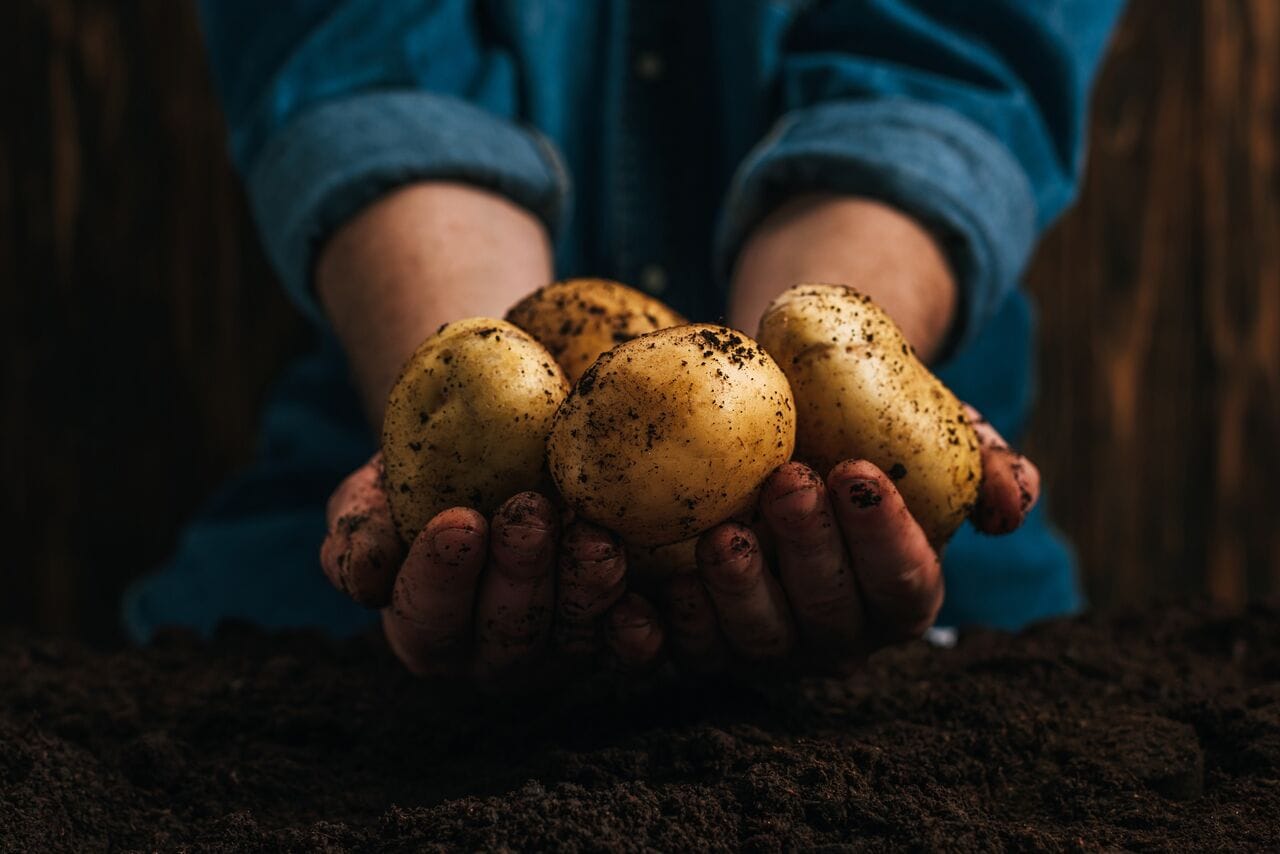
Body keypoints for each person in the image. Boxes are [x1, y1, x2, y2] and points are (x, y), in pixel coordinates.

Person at [124, 0, 1126, 689]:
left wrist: (807, 399)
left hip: (901, 587)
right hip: (352, 594)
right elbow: (362, 49)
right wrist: (482, 426)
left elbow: (953, 57)